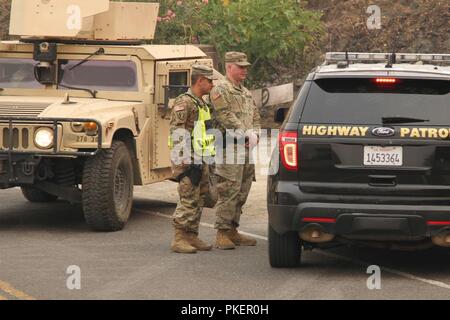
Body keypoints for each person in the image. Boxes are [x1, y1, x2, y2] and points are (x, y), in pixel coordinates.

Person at [210, 52, 261, 250]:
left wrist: (255, 134)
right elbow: (225, 116)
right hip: (229, 148)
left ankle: (233, 229)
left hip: (246, 148)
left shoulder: (245, 92)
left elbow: (255, 115)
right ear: (229, 67)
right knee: (228, 190)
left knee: (243, 190)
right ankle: (222, 232)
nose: (244, 69)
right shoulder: (220, 90)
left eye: (245, 66)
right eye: (240, 66)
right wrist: (246, 134)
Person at [168, 64, 217, 254]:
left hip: (202, 158)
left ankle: (191, 235)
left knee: (199, 198)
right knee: (188, 198)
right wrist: (184, 158)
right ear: (200, 81)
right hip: (188, 160)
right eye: (210, 81)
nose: (212, 84)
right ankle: (179, 238)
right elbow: (177, 130)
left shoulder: (201, 103)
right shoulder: (185, 102)